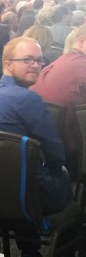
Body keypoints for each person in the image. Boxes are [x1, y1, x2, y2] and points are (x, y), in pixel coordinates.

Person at [0, 36, 72, 257]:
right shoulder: (29, 99)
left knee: (21, 176)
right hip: (26, 200)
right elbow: (56, 154)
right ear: (8, 64)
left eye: (38, 60)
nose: (35, 65)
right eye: (27, 60)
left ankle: (31, 255)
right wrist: (57, 168)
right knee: (66, 182)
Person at [31, 23, 86, 161]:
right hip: (72, 149)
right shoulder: (81, 65)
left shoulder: (58, 63)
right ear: (82, 42)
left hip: (42, 146)